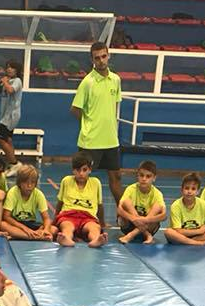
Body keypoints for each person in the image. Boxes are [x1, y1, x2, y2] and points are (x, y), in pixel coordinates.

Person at [70, 41, 123, 206]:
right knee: (83, 179)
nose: (101, 60)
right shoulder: (87, 82)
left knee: (116, 177)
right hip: (91, 141)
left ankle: (124, 214)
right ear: (92, 60)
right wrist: (88, 125)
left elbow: (114, 106)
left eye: (103, 56)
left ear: (109, 56)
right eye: (97, 58)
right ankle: (81, 212)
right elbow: (75, 109)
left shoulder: (116, 80)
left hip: (111, 140)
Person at [55, 153, 105, 247]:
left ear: (90, 170)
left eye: (84, 170)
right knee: (67, 227)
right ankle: (67, 238)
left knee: (94, 227)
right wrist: (55, 220)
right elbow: (60, 202)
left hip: (88, 216)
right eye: (78, 170)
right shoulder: (66, 181)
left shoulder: (96, 183)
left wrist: (102, 223)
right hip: (68, 215)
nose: (81, 173)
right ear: (73, 170)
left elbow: (100, 205)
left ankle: (96, 240)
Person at [165, 172, 205, 246]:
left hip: (194, 236)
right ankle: (200, 243)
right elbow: (178, 230)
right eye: (187, 188)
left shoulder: (203, 204)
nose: (189, 191)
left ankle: (188, 242)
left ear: (198, 191)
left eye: (193, 189)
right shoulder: (175, 205)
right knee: (168, 232)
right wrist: (199, 231)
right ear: (182, 190)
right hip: (182, 234)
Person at [1, 165, 56, 241]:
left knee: (54, 229)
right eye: (26, 182)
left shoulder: (38, 194)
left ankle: (21, 235)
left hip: (31, 223)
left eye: (32, 182)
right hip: (16, 223)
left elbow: (46, 218)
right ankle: (34, 236)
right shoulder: (13, 192)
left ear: (36, 183)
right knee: (2, 225)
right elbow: (6, 216)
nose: (29, 185)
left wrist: (46, 230)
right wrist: (25, 229)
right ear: (19, 182)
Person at [117, 160, 165, 244]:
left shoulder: (157, 194)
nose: (144, 179)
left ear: (154, 178)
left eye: (148, 176)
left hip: (149, 227)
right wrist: (134, 218)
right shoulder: (130, 189)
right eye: (141, 175)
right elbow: (119, 209)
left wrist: (146, 219)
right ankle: (147, 235)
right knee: (126, 202)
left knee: (158, 207)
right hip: (129, 226)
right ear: (137, 175)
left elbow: (163, 216)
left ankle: (131, 235)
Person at [0, 60, 24, 178]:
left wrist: (6, 82)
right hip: (5, 115)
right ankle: (13, 165)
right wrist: (0, 83)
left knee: (0, 139)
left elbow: (11, 90)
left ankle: (15, 164)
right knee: (8, 140)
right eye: (7, 67)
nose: (9, 69)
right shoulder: (7, 80)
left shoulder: (17, 81)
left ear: (17, 70)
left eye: (12, 67)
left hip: (11, 115)